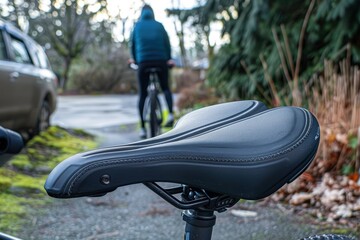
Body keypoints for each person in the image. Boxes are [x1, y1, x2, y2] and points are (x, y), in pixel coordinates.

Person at [129, 4, 174, 139]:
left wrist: (134, 59)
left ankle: (142, 128)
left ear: (142, 13)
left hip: (143, 62)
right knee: (165, 88)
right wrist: (168, 58)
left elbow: (133, 45)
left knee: (143, 94)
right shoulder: (160, 26)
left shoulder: (137, 26)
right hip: (161, 61)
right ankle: (171, 114)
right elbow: (167, 44)